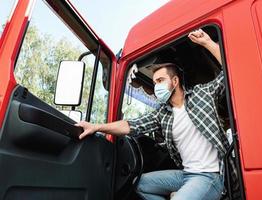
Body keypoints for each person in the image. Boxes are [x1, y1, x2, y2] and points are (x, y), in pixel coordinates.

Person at [76, 29, 232, 200]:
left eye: (160, 81)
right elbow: (131, 125)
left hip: (210, 176)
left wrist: (208, 43)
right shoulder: (162, 114)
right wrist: (96, 127)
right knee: (140, 184)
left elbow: (229, 72)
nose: (156, 86)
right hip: (186, 175)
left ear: (175, 81)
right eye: (154, 82)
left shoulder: (202, 94)